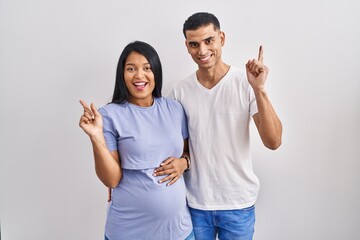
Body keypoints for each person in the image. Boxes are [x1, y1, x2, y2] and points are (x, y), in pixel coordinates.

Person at [160, 12, 283, 240]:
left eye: (209, 41)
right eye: (195, 44)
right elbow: (166, 145)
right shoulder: (178, 92)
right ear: (187, 46)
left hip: (238, 205)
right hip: (195, 204)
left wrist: (260, 89)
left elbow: (273, 141)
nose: (203, 51)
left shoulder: (245, 83)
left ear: (221, 38)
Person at [79, 41, 194, 240]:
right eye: (131, 69)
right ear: (122, 75)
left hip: (180, 231)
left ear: (156, 72)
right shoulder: (109, 115)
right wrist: (96, 137)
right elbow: (111, 179)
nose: (139, 75)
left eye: (147, 68)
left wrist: (184, 163)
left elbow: (188, 151)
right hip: (129, 232)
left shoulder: (174, 109)